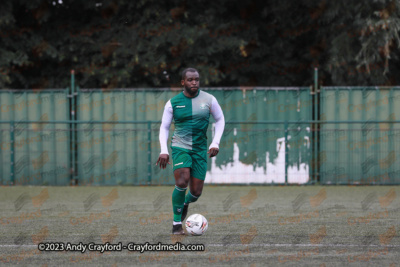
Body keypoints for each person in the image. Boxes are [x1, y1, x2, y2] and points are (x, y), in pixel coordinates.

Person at [156, 68, 225, 235]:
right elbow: (164, 127)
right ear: (183, 82)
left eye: (196, 79)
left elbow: (220, 119)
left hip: (200, 149)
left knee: (196, 192)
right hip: (180, 146)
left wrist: (215, 142)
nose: (194, 82)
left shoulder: (209, 99)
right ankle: (176, 224)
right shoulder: (173, 103)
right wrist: (163, 150)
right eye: (190, 80)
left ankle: (186, 202)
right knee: (182, 181)